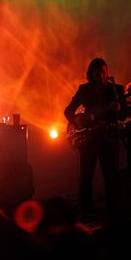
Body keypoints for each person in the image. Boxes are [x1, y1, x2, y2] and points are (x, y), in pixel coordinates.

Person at [64, 58, 127, 221]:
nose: (100, 76)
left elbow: (123, 115)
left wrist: (119, 109)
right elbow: (68, 111)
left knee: (111, 176)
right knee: (86, 175)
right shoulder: (84, 90)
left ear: (107, 73)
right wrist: (77, 120)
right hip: (89, 139)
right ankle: (86, 210)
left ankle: (114, 211)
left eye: (103, 72)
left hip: (109, 138)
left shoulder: (116, 90)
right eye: (97, 73)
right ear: (91, 74)